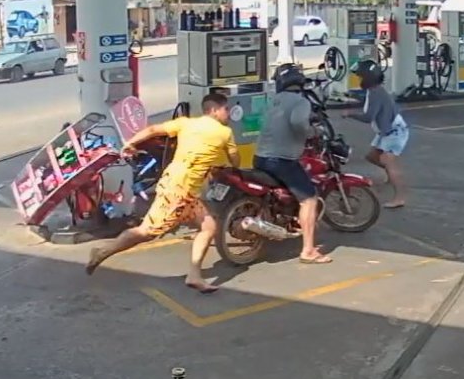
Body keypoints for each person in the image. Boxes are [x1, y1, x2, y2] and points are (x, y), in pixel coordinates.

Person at [86, 93, 239, 293]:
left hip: (180, 187)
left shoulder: (185, 123)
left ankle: (194, 275)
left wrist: (130, 143)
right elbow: (235, 162)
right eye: (225, 109)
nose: (228, 113)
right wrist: (225, 163)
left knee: (208, 227)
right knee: (147, 232)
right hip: (180, 191)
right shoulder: (224, 133)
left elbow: (152, 129)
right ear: (213, 110)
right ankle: (103, 251)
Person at [254, 64, 331, 264]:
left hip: (260, 157)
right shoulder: (300, 101)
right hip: (282, 159)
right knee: (309, 199)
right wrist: (311, 133)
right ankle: (308, 250)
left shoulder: (273, 99)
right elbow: (298, 123)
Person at [349, 59, 409, 208]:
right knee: (372, 156)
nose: (359, 79)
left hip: (394, 131)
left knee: (389, 162)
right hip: (386, 130)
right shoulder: (374, 91)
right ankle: (391, 174)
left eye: (361, 77)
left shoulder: (376, 93)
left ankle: (399, 197)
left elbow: (368, 116)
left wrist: (349, 114)